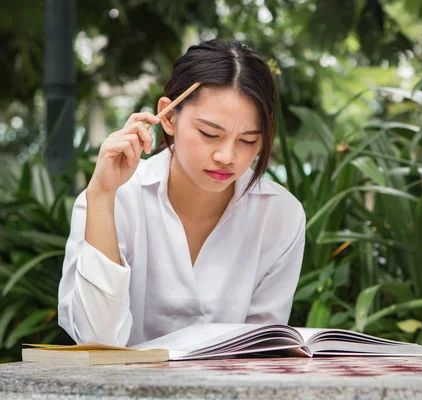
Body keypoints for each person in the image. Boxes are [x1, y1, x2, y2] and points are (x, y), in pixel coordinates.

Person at [57, 39, 306, 347]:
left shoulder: (281, 215)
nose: (226, 156)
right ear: (169, 116)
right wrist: (101, 195)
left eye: (248, 140)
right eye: (210, 134)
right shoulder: (116, 199)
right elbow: (97, 342)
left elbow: (261, 348)